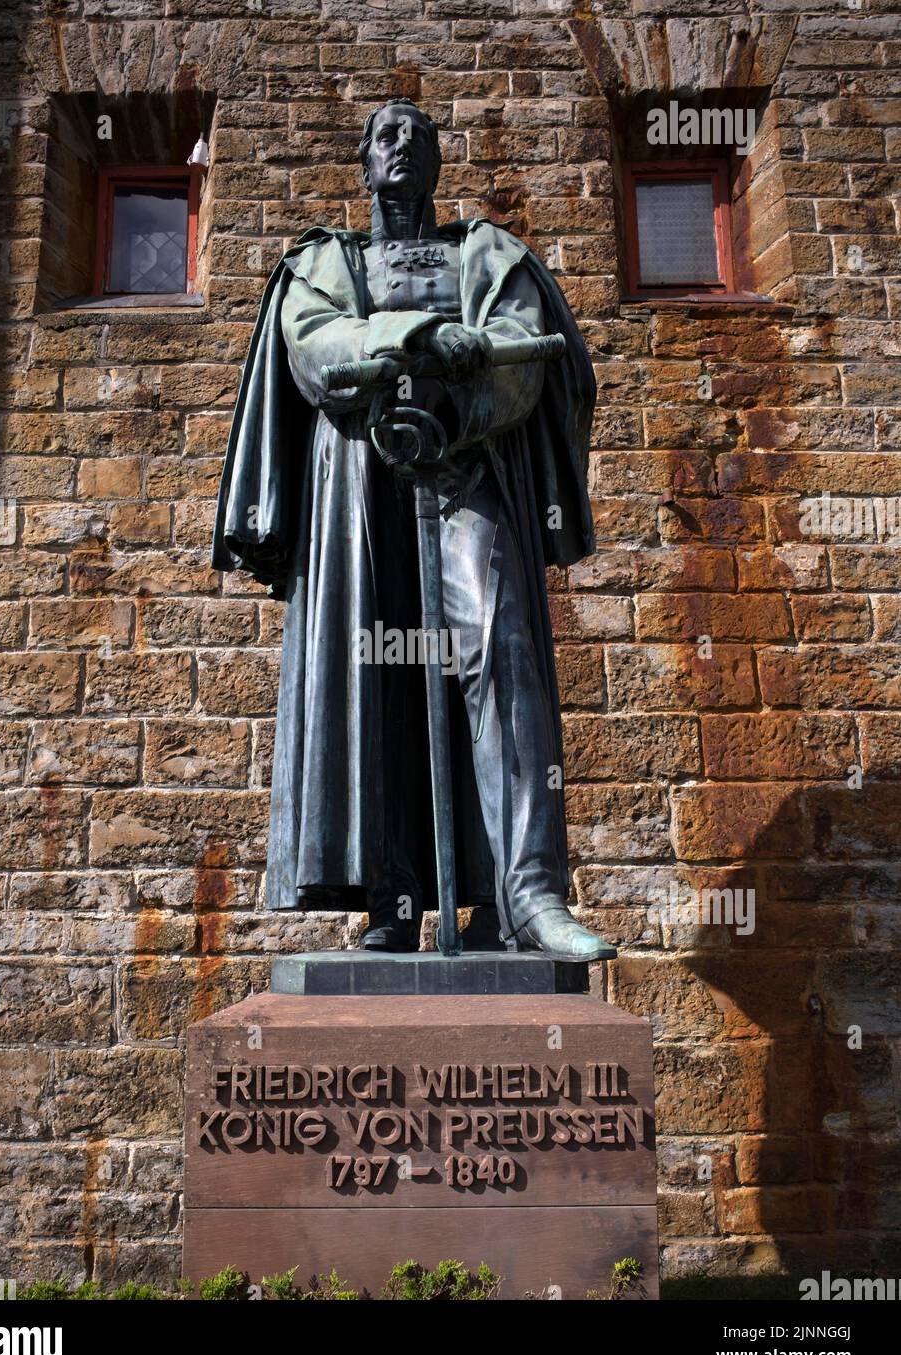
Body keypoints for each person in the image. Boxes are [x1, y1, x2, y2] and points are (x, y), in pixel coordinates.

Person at [212, 99, 615, 962]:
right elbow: (317, 346)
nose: (404, 147)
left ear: (439, 163)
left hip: (465, 470)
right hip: (361, 481)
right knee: (378, 676)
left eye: (420, 137)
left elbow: (525, 349)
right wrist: (426, 333)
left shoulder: (488, 252)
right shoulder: (323, 262)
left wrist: (469, 384)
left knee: (498, 655)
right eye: (387, 136)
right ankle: (392, 903)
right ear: (364, 164)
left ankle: (526, 896)